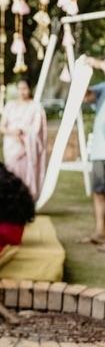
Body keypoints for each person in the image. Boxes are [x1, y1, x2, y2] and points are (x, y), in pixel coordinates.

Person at [0, 78, 47, 200]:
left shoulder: (36, 107)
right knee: (12, 172)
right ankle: (12, 200)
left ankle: (26, 201)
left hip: (27, 147)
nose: (22, 92)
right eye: (19, 89)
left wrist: (25, 135)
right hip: (12, 145)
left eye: (24, 88)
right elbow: (2, 127)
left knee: (27, 173)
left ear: (30, 89)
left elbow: (38, 129)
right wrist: (13, 132)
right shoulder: (10, 106)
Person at [79, 56, 105, 249]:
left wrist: (95, 63)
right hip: (99, 149)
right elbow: (85, 96)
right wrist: (81, 74)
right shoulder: (102, 87)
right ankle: (100, 231)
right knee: (98, 191)